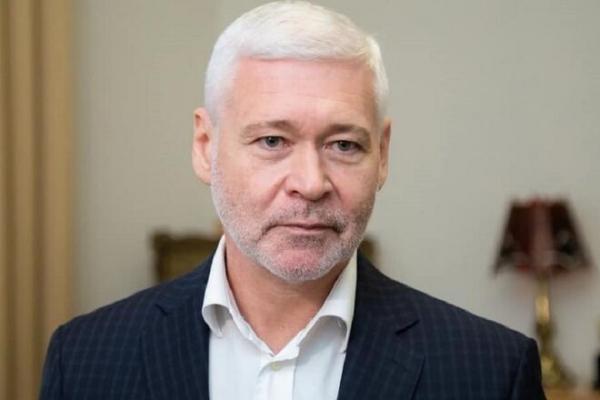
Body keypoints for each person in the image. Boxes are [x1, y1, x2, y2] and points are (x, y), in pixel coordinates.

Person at [40, 1, 546, 399]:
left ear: (383, 155)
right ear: (205, 147)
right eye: (272, 141)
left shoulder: (490, 371)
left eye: (343, 145)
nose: (310, 182)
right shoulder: (84, 360)